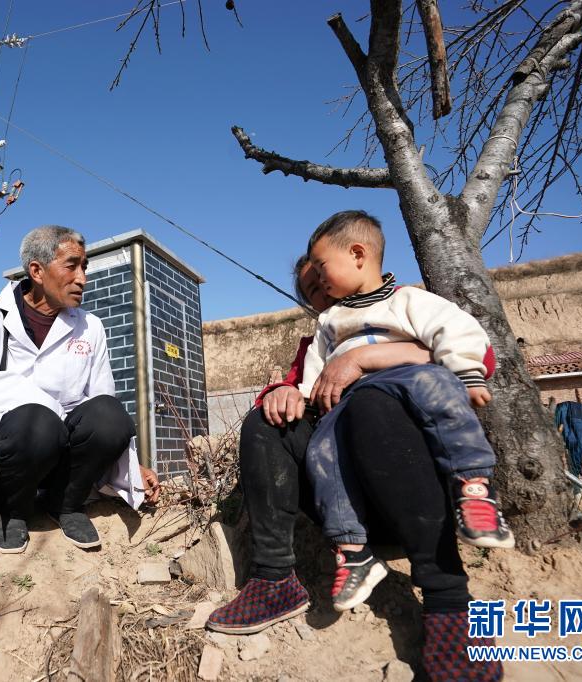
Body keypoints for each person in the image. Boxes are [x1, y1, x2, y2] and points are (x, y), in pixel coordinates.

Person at [206, 253, 502, 681]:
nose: (324, 291)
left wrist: (365, 358)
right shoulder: (319, 343)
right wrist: (281, 392)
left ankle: (449, 599)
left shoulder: (405, 309)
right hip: (344, 509)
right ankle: (274, 580)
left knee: (370, 403)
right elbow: (301, 385)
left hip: (417, 499)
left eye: (324, 278)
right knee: (266, 422)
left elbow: (477, 358)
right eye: (312, 290)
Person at [299, 211, 513, 611]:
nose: (320, 279)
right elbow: (318, 366)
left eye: (322, 266)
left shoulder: (409, 300)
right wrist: (306, 396)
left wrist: (466, 373)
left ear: (358, 254)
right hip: (349, 399)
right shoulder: (329, 320)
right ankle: (352, 550)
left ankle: (474, 490)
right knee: (321, 453)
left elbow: (456, 329)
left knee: (439, 389)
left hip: (407, 380)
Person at [0, 225, 160, 554]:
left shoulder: (90, 326)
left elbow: (103, 400)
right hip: (17, 448)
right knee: (36, 422)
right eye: (72, 266)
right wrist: (51, 412)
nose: (82, 278)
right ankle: (11, 511)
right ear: (37, 271)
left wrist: (131, 466)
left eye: (84, 267)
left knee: (112, 415)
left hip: (66, 457)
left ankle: (65, 503)